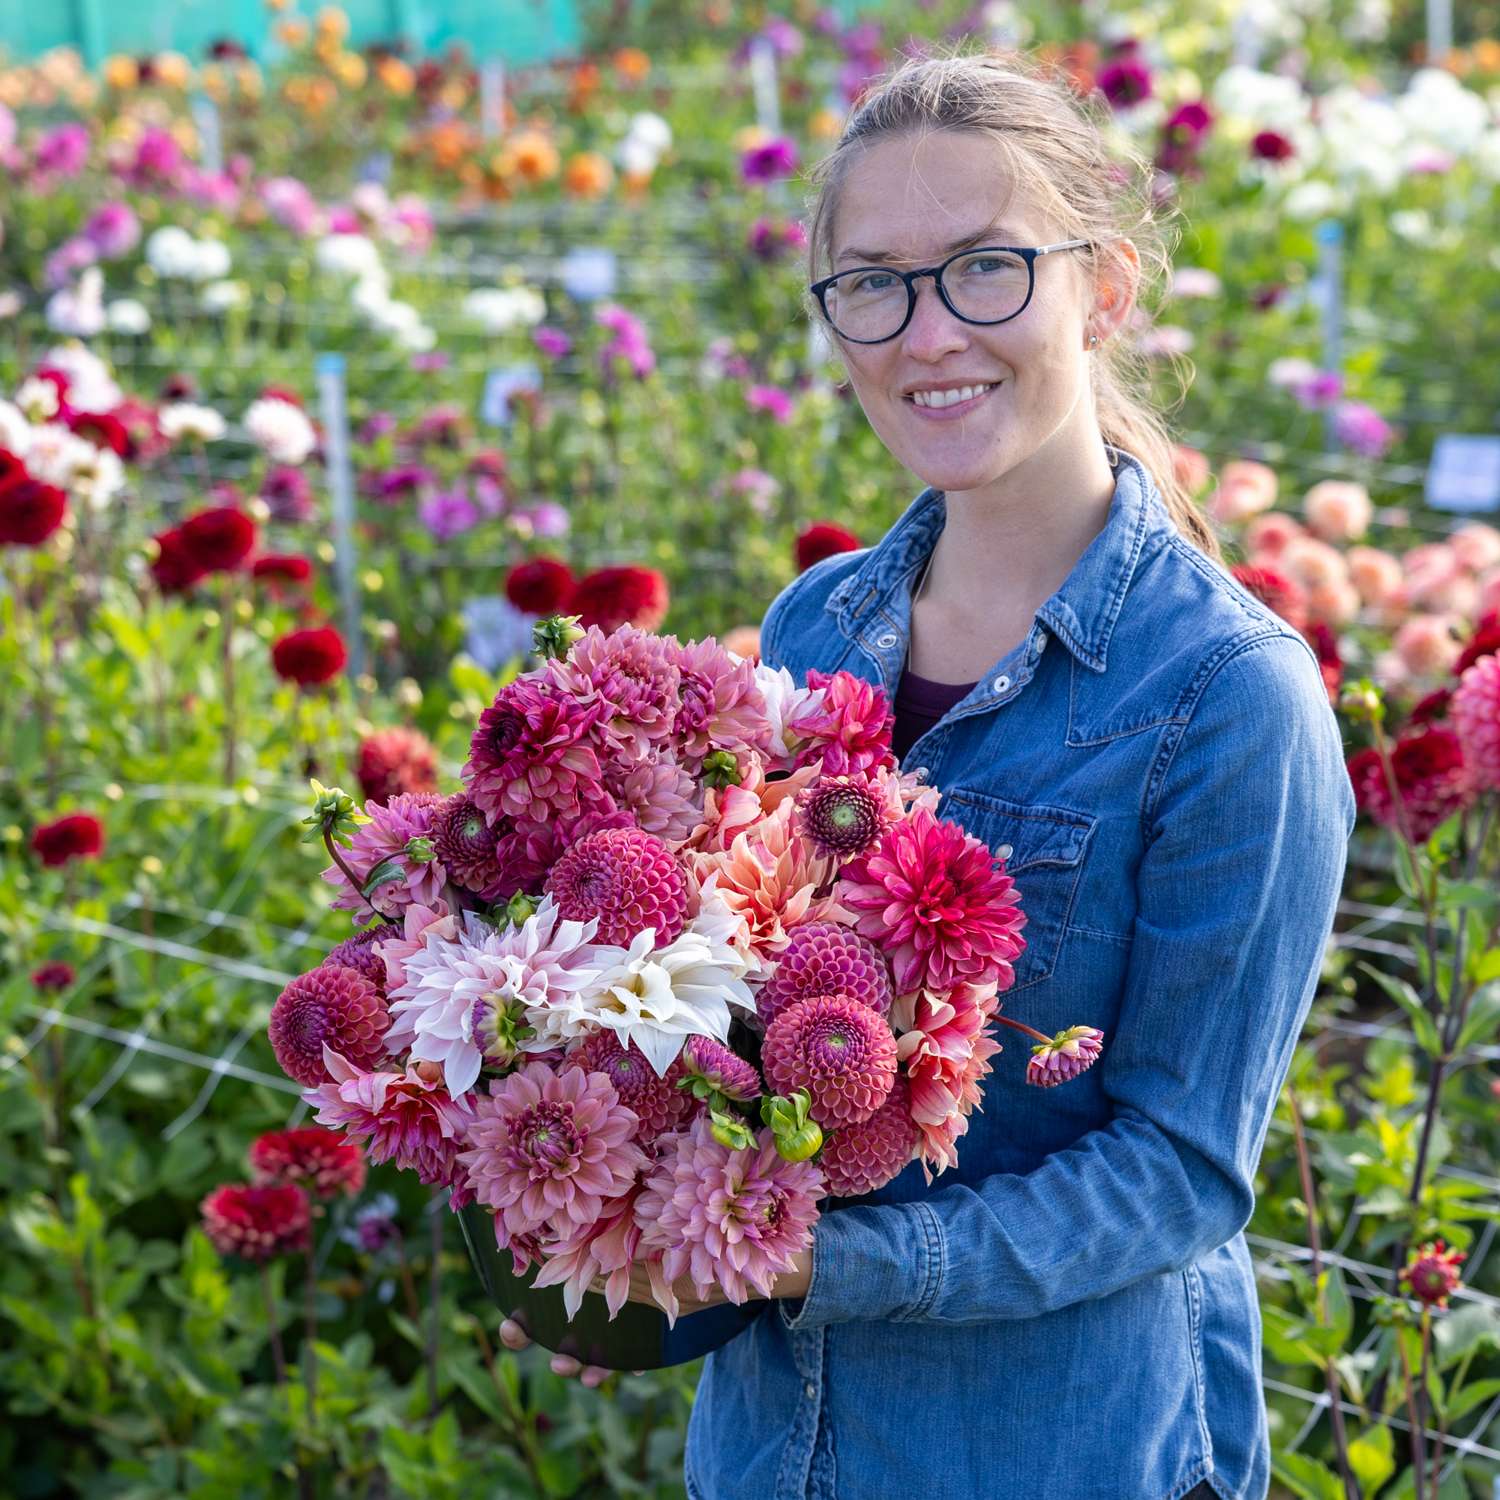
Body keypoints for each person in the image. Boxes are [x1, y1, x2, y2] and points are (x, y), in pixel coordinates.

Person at [507, 46, 1354, 1500]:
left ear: (1104, 286)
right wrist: (619, 1203)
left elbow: (1180, 1173)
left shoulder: (1227, 695)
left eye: (984, 269)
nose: (926, 333)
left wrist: (823, 1258)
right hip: (774, 1453)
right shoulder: (814, 625)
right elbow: (731, 1020)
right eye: (875, 285)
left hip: (1059, 1452)